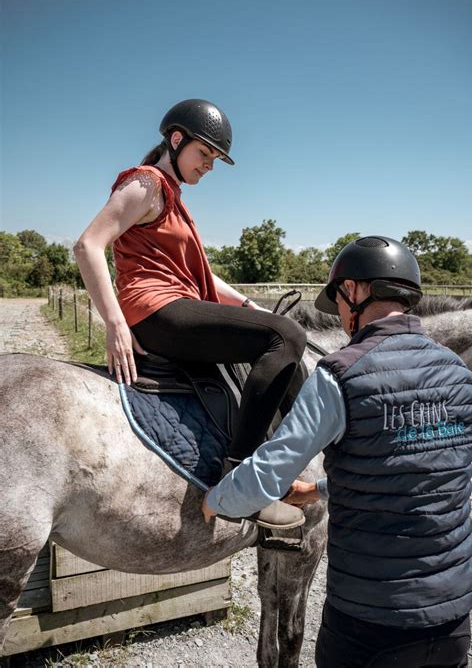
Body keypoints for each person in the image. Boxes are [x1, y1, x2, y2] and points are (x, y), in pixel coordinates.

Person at [202, 235, 472, 668]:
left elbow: (268, 474)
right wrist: (318, 489)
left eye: (342, 301)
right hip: (453, 617)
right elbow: (426, 466)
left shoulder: (339, 375)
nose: (344, 316)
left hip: (370, 620)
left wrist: (216, 499)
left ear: (355, 291)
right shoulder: (459, 372)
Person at [74, 98, 306, 530]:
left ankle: (291, 467)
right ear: (176, 140)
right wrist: (115, 323)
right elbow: (88, 245)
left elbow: (203, 277)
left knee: (285, 340)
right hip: (157, 311)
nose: (209, 167)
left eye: (215, 159)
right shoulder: (147, 182)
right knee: (287, 337)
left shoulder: (173, 198)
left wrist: (250, 307)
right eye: (205, 154)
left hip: (176, 304)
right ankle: (241, 483)